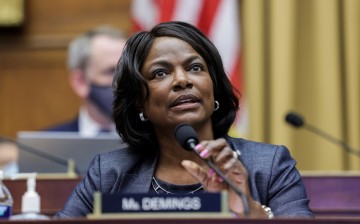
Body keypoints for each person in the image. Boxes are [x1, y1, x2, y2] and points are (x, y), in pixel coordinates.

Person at [55, 21, 313, 218]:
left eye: (195, 67)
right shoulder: (109, 173)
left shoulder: (268, 167)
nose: (182, 80)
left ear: (213, 88)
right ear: (139, 101)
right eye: (160, 73)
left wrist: (249, 212)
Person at [45, 26, 127, 136]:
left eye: (127, 71)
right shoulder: (47, 144)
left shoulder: (154, 142)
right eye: (111, 72)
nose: (124, 80)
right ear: (81, 82)